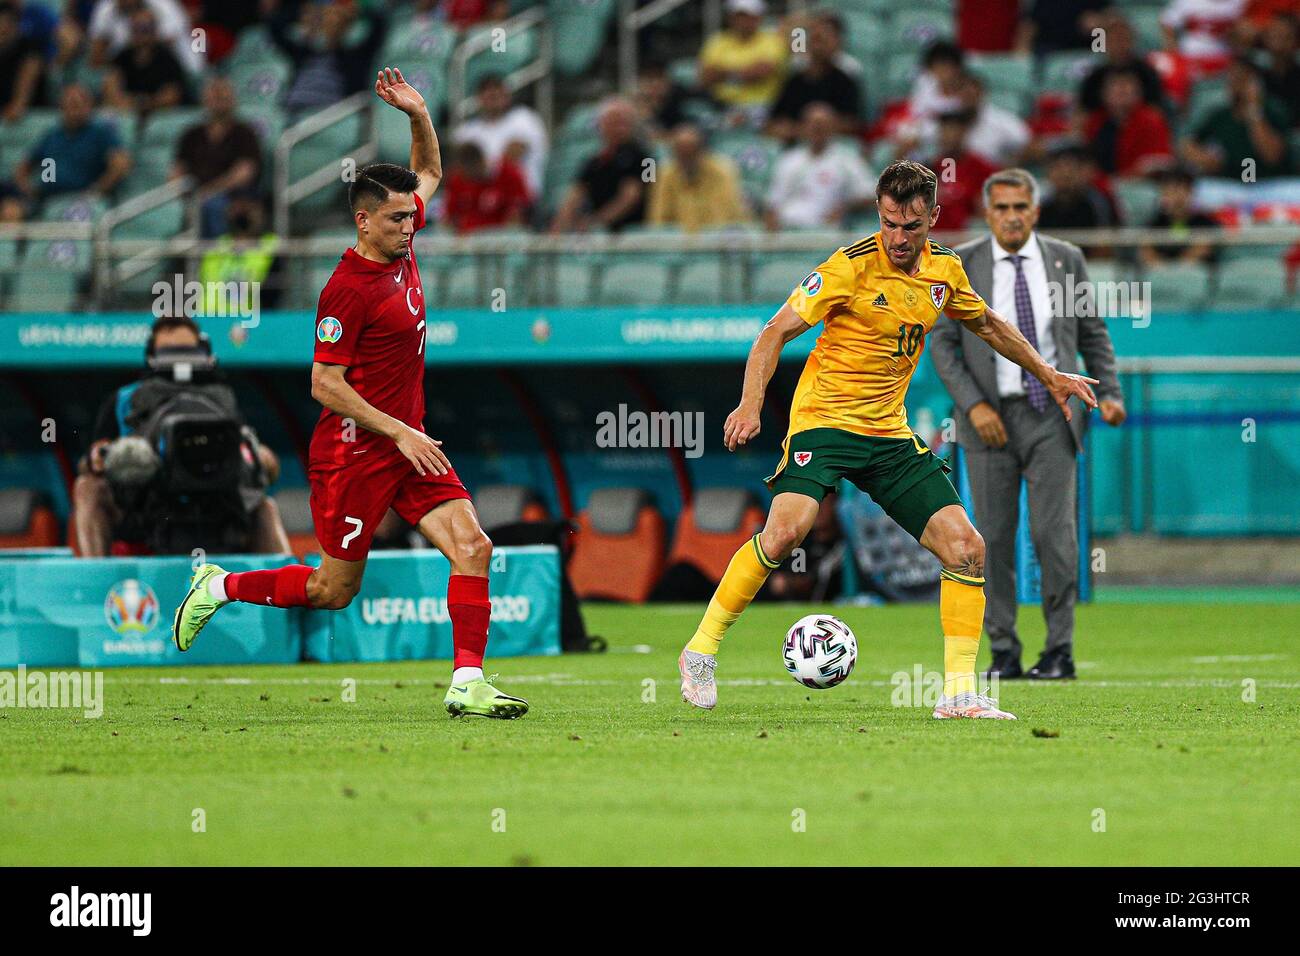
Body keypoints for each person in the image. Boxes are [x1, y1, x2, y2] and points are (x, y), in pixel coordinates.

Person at [678, 160, 1101, 718]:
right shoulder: (848, 267)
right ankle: (701, 650)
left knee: (968, 548)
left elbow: (992, 325)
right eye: (889, 223)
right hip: (825, 422)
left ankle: (957, 694)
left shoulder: (945, 272)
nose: (898, 238)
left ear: (933, 219)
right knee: (785, 534)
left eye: (911, 226)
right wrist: (750, 403)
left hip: (888, 434)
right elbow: (773, 332)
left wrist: (1050, 374)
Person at [171, 67, 528, 720]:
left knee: (474, 546)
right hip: (355, 452)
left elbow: (430, 174)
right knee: (332, 589)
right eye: (395, 219)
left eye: (409, 216)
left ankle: (467, 682)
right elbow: (323, 384)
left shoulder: (402, 240)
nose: (410, 225)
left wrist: (418, 115)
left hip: (408, 444)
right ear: (364, 223)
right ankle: (218, 584)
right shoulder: (347, 291)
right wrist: (397, 429)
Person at [929, 168, 1125, 681]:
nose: (1012, 217)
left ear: (1035, 212)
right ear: (987, 213)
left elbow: (1091, 331)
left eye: (1021, 207)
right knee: (988, 538)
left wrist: (1109, 393)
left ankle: (1058, 650)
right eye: (1002, 208)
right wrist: (974, 406)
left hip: (1052, 416)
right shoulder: (960, 264)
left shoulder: (1067, 259)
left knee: (1052, 535)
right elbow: (944, 346)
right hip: (987, 420)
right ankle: (1003, 653)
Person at [75, 315, 290, 558]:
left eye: (186, 350)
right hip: (146, 506)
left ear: (203, 351)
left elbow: (253, 461)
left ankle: (290, 591)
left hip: (217, 506)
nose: (178, 357)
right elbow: (89, 463)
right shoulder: (124, 400)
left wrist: (262, 459)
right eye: (169, 351)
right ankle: (95, 583)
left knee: (263, 507)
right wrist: (106, 458)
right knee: (87, 488)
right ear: (151, 354)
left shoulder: (221, 398)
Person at [172, 76, 263, 238]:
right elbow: (177, 172)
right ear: (205, 100)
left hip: (231, 196)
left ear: (233, 100)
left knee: (212, 206)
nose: (219, 100)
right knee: (171, 210)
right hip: (193, 194)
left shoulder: (244, 133)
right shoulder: (192, 135)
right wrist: (182, 193)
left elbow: (244, 173)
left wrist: (209, 192)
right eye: (214, 96)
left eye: (223, 96)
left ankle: (214, 258)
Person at [765, 102, 874, 231]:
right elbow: (773, 204)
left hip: (826, 233)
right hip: (789, 231)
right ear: (803, 127)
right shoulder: (789, 160)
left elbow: (872, 195)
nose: (817, 128)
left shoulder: (847, 160)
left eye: (823, 124)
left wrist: (846, 207)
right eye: (813, 124)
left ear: (833, 127)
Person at [14, 83, 131, 201]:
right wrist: (29, 190)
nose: (74, 110)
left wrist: (97, 190)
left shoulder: (100, 133)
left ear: (89, 106)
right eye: (69, 105)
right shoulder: (51, 136)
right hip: (48, 199)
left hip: (82, 199)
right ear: (61, 107)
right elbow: (23, 168)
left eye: (78, 105)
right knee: (11, 210)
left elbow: (121, 164)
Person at [549, 97, 649, 234]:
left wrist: (595, 222)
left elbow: (632, 196)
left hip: (635, 232)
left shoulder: (646, 158)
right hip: (602, 232)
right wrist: (556, 230)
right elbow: (575, 195)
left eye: (622, 122)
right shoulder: (595, 161)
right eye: (612, 122)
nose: (617, 128)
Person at [1180, 57, 1291, 179]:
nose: (1235, 84)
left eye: (1241, 78)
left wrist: (1254, 111)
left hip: (1270, 183)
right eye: (1232, 78)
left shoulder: (1274, 110)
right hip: (1231, 183)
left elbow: (1271, 156)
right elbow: (1187, 144)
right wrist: (1202, 157)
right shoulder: (1221, 115)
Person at [765, 12, 860, 144]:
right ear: (808, 45)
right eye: (815, 40)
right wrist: (800, 130)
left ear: (835, 44)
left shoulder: (844, 80)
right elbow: (773, 123)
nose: (818, 47)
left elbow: (852, 124)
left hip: (833, 147)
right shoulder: (795, 81)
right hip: (796, 150)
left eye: (823, 41)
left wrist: (816, 127)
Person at [452, 74, 548, 199]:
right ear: (478, 98)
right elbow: (459, 167)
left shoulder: (524, 119)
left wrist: (475, 161)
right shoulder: (467, 131)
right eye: (487, 92)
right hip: (477, 201)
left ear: (507, 94)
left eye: (497, 90)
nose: (493, 95)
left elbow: (511, 158)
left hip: (518, 200)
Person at [646, 123, 750, 232]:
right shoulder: (666, 173)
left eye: (691, 153)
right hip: (677, 242)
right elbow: (658, 219)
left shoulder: (723, 170)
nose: (686, 160)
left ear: (702, 151)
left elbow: (725, 215)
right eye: (681, 154)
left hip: (715, 239)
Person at [697, 0, 788, 120]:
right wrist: (743, 73)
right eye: (738, 16)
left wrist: (722, 74)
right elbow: (705, 77)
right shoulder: (718, 41)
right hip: (720, 105)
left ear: (758, 17)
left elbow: (762, 72)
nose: (742, 21)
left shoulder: (773, 41)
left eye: (747, 16)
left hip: (762, 106)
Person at [1083, 67, 1173, 176]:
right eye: (1116, 87)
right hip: (1103, 183)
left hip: (1139, 183)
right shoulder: (1095, 121)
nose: (1122, 91)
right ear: (1103, 94)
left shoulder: (1151, 120)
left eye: (1127, 87)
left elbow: (1161, 161)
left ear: (1138, 94)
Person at [101, 4, 188, 115]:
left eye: (145, 29)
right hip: (127, 113)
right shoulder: (121, 57)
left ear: (154, 31)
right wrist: (133, 104)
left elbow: (172, 96)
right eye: (136, 28)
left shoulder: (168, 58)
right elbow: (110, 88)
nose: (140, 34)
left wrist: (145, 104)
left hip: (160, 115)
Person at [922, 109, 996, 230]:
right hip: (932, 239)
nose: (948, 136)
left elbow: (985, 211)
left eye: (953, 130)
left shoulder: (981, 168)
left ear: (964, 133)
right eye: (944, 130)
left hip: (965, 238)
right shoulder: (928, 167)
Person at [441, 140, 530, 233]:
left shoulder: (510, 174)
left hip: (500, 237)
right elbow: (448, 218)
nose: (468, 178)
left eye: (470, 173)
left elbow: (518, 216)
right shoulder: (457, 179)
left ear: (480, 162)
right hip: (465, 239)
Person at [1140, 165, 1220, 265]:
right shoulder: (1153, 224)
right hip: (1161, 277)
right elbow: (1147, 253)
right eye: (1167, 190)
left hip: (1194, 276)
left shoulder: (1206, 223)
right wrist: (1163, 271)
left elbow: (1202, 249)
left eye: (1177, 189)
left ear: (1190, 192)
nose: (1172, 196)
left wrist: (1177, 273)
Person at [1037, 141, 1117, 230]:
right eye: (1057, 168)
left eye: (1071, 169)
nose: (1065, 174)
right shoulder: (1043, 205)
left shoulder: (1096, 203)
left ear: (1082, 172)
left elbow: (1105, 239)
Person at [0, 1, 44, 123]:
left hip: (32, 116)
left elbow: (19, 106)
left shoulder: (30, 49)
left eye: (7, 25)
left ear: (16, 26)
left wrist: (18, 104)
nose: (3, 30)